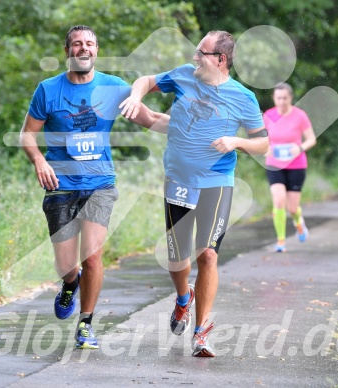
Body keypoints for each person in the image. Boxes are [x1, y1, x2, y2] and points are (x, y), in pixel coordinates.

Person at [119, 31, 268, 357]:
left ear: (221, 60)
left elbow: (263, 142)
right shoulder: (183, 76)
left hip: (217, 181)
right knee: (177, 258)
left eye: (201, 53)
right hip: (179, 180)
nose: (194, 57)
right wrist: (134, 97)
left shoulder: (243, 97)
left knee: (208, 254)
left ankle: (201, 333)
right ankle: (183, 298)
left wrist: (238, 142)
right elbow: (146, 81)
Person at [20, 25, 166, 350]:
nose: (83, 48)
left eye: (89, 44)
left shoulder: (114, 88)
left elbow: (150, 117)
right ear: (67, 51)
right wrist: (39, 161)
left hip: (100, 183)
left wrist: (191, 131)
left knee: (93, 256)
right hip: (60, 183)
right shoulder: (48, 90)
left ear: (96, 50)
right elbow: (27, 134)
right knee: (67, 265)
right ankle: (70, 285)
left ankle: (85, 323)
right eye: (76, 44)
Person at [263, 83, 316, 253]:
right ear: (274, 98)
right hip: (274, 165)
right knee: (279, 200)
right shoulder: (269, 116)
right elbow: (261, 140)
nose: (282, 101)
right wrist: (265, 149)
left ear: (291, 98)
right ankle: (281, 241)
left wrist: (299, 148)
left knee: (292, 208)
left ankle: (298, 221)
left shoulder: (300, 116)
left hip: (296, 165)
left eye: (285, 98)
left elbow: (311, 139)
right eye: (278, 98)